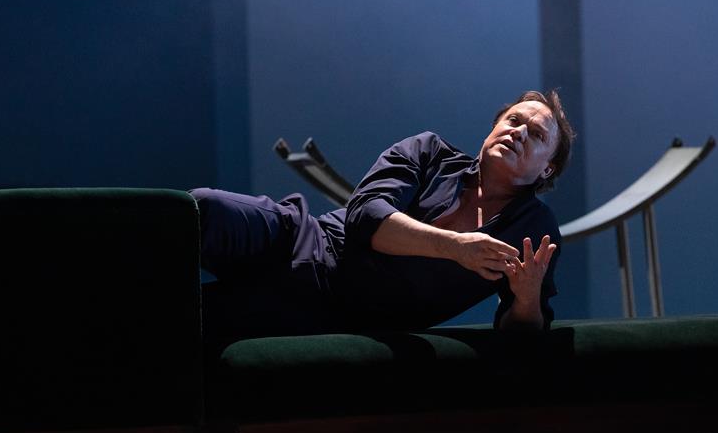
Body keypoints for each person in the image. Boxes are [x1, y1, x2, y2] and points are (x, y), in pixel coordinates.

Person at [191, 90, 575, 341]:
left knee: (192, 321)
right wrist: (456, 247)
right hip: (304, 242)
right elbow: (366, 217)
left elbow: (521, 332)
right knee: (201, 210)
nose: (518, 133)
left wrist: (526, 297)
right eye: (513, 121)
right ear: (493, 128)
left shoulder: (535, 229)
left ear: (547, 169)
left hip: (338, 313)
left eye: (536, 134)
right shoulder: (428, 151)